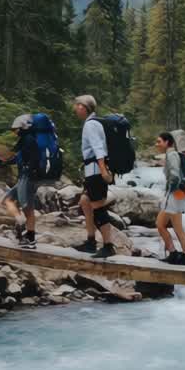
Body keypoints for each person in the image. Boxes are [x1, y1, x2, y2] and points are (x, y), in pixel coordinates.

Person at [74, 95, 117, 259]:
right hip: (93, 171)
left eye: (77, 105)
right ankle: (91, 242)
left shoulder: (91, 125)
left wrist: (103, 171)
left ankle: (108, 246)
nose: (75, 108)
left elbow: (98, 148)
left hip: (95, 172)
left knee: (98, 207)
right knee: (85, 202)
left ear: (84, 107)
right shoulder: (94, 123)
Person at [156, 132, 185, 265]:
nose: (157, 144)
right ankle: (173, 252)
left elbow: (175, 175)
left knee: (177, 228)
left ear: (167, 142)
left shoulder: (172, 155)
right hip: (174, 194)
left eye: (159, 141)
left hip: (174, 195)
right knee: (160, 224)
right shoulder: (171, 154)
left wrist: (170, 191)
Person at [3, 114, 39, 249]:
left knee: (27, 208)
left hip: (28, 177)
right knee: (8, 200)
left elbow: (34, 158)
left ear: (23, 127)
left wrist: (28, 172)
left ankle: (29, 237)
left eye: (15, 129)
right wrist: (5, 163)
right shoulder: (25, 139)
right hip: (26, 177)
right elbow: (20, 157)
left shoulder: (28, 139)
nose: (14, 132)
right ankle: (26, 232)